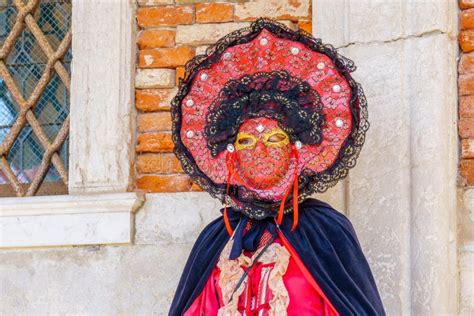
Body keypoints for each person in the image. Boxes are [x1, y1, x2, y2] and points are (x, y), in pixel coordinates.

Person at [169, 18, 385, 316]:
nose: (260, 150)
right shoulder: (218, 237)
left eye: (273, 138)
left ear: (296, 148)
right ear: (229, 153)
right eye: (245, 141)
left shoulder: (325, 232)